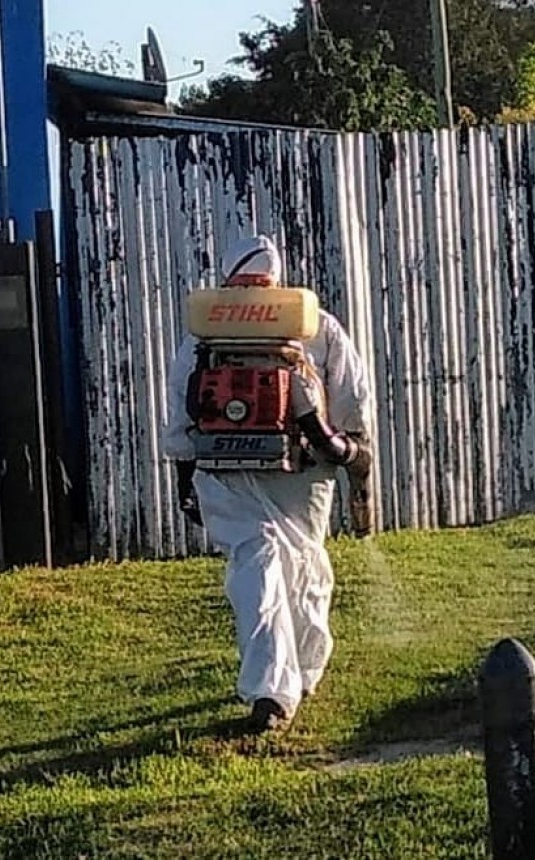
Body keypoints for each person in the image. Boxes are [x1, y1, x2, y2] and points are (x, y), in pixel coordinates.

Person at [162, 235, 372, 733]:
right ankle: (280, 687)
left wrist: (183, 477)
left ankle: (287, 681)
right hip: (303, 474)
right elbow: (352, 400)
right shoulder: (316, 326)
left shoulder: (203, 334)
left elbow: (181, 413)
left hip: (225, 472)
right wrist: (350, 450)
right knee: (299, 566)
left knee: (262, 568)